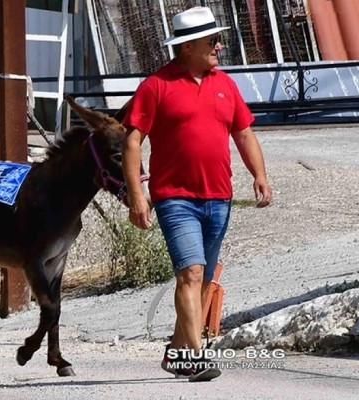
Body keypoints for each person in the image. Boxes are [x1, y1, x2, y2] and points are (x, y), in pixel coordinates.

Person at [121, 6, 272, 382]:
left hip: (219, 198)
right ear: (188, 46)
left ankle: (176, 352)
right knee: (190, 273)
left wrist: (260, 174)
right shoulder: (156, 85)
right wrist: (137, 194)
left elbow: (244, 133)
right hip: (175, 198)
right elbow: (132, 141)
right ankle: (196, 357)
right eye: (212, 40)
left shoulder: (225, 83)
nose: (219, 46)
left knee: (201, 280)